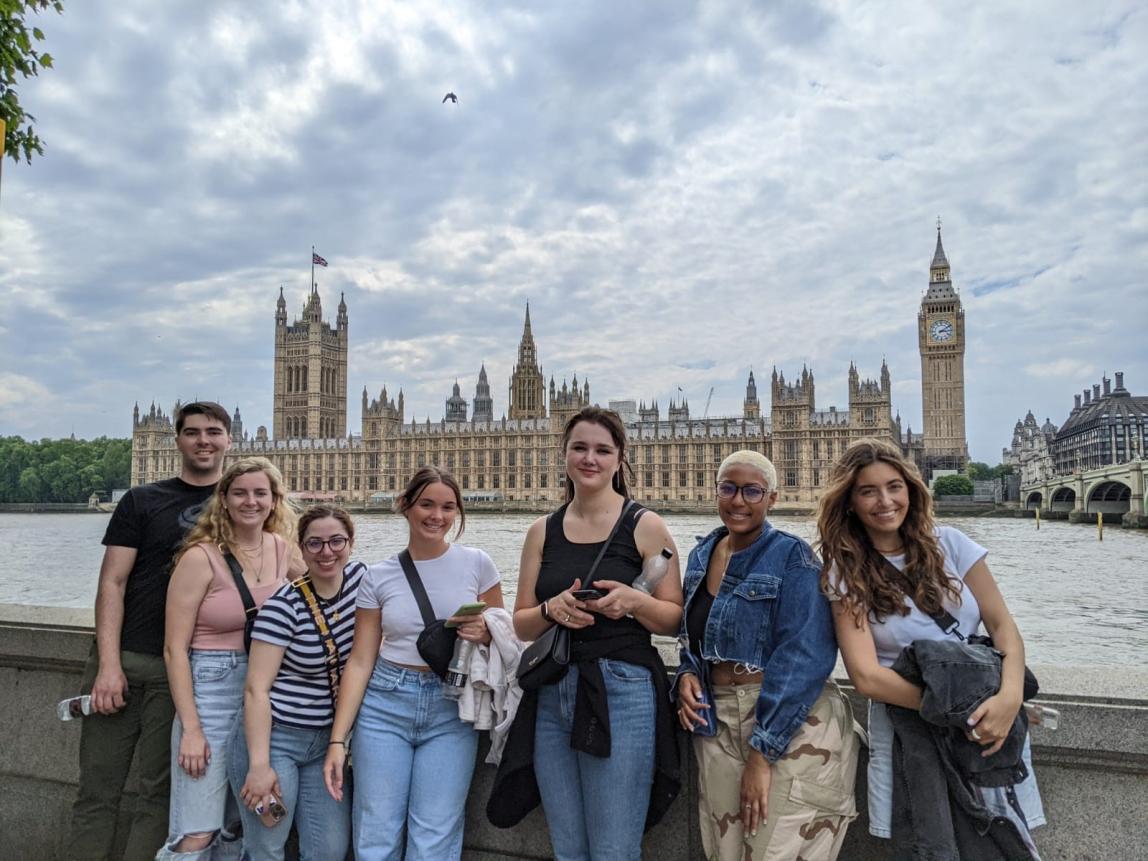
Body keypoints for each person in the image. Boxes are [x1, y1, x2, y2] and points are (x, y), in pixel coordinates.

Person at [816, 438, 1044, 849]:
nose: (885, 500)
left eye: (894, 486)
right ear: (849, 501)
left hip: (992, 723)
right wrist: (962, 713)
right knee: (926, 843)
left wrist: (1008, 699)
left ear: (911, 489)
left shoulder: (952, 543)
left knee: (1005, 841)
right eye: (868, 491)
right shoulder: (843, 570)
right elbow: (866, 677)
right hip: (913, 723)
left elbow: (1002, 626)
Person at [508, 406, 684, 860]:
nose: (590, 458)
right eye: (580, 448)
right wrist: (553, 608)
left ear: (620, 458)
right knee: (568, 849)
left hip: (623, 690)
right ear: (563, 453)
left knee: (613, 850)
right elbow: (523, 623)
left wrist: (634, 601)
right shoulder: (540, 531)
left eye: (603, 450)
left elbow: (673, 620)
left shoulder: (646, 525)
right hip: (553, 691)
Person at [67, 402, 232, 861]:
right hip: (129, 658)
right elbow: (112, 583)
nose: (203, 440)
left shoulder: (240, 503)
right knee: (97, 788)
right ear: (174, 439)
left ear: (228, 441)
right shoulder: (141, 500)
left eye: (213, 432)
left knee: (158, 794)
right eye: (193, 432)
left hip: (186, 671)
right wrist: (108, 665)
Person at [675, 451, 858, 861]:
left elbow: (804, 657)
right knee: (723, 852)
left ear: (772, 498)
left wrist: (763, 752)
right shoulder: (700, 555)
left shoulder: (793, 558)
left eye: (752, 491)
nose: (738, 500)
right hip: (717, 723)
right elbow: (694, 636)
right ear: (716, 491)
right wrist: (687, 674)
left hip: (789, 723)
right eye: (729, 488)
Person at [323, 466, 504, 860]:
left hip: (451, 707)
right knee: (376, 831)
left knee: (435, 834)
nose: (436, 516)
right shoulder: (378, 576)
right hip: (386, 703)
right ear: (405, 506)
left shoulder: (479, 564)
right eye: (426, 504)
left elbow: (504, 638)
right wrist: (338, 739)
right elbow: (360, 660)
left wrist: (485, 633)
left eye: (448, 507)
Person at [158, 457, 301, 859]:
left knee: (238, 826)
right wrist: (191, 728)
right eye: (240, 493)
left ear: (275, 501)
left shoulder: (281, 549)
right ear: (224, 499)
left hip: (266, 695)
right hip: (211, 692)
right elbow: (175, 650)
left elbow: (325, 589)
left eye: (261, 493)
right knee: (197, 831)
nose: (250, 501)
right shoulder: (199, 558)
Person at [229, 505, 364, 860]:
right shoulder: (281, 608)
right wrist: (259, 767)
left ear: (351, 543)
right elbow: (256, 689)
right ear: (300, 550)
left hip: (324, 744)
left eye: (336, 541)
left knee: (330, 850)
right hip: (274, 742)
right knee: (266, 844)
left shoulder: (363, 583)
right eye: (315, 544)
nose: (327, 552)